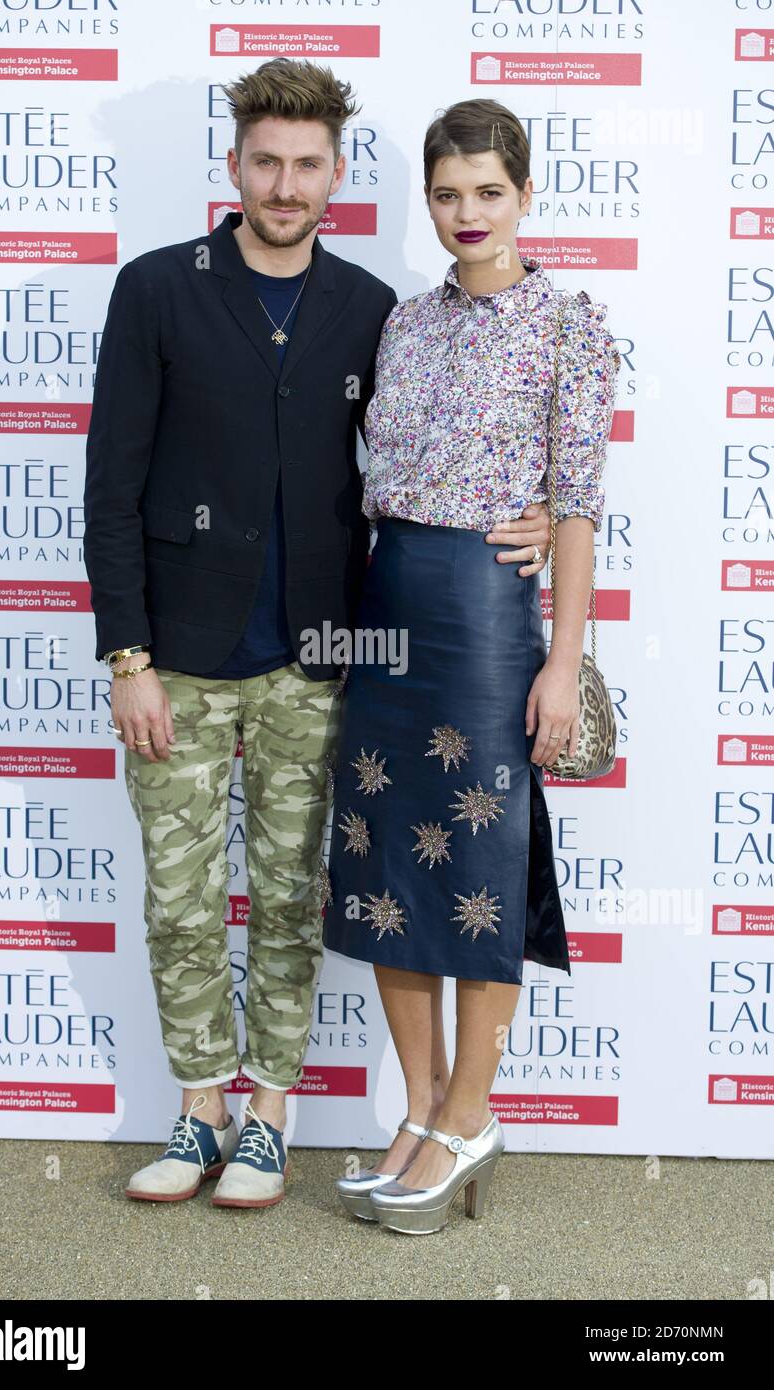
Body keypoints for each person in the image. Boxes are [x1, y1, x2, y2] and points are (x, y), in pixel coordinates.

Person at [83, 60, 552, 1212]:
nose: (285, 185)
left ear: (336, 174)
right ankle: (199, 1107)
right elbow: (110, 485)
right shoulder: (156, 290)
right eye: (265, 162)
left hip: (322, 658)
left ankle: (269, 1120)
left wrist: (536, 515)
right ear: (235, 166)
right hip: (179, 660)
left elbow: (425, 458)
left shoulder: (371, 307)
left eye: (307, 165)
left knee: (292, 894)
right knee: (184, 896)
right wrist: (127, 656)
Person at [323, 98, 621, 1235]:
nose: (465, 214)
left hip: (490, 626)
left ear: (526, 195)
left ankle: (470, 1111)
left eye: (487, 192)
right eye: (447, 194)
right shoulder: (403, 323)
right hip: (386, 611)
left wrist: (563, 658)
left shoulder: (569, 325)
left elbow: (582, 509)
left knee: (484, 870)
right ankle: (416, 1111)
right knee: (390, 867)